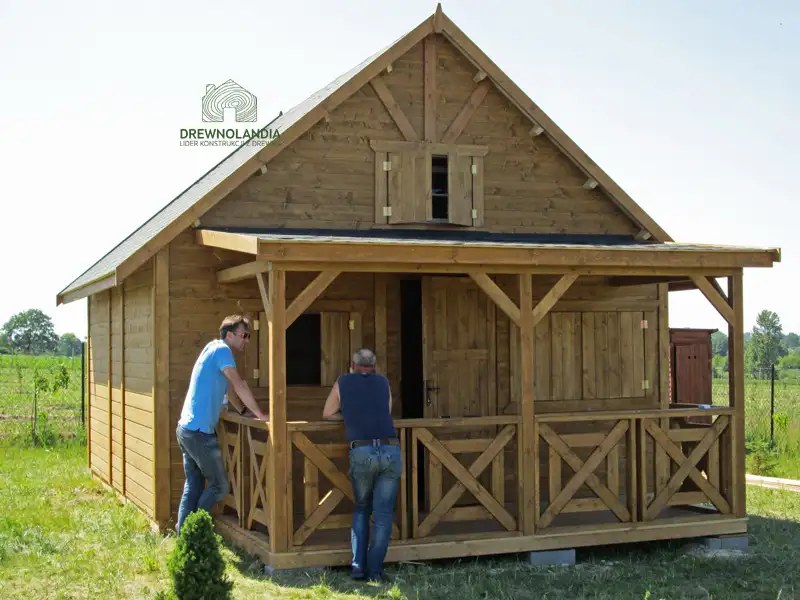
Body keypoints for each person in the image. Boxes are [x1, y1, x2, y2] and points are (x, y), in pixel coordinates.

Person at [175, 314, 267, 534]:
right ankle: (192, 530)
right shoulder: (223, 351)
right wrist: (261, 415)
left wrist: (245, 412)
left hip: (185, 429)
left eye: (248, 336)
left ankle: (184, 535)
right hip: (199, 433)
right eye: (244, 336)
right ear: (229, 335)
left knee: (194, 484)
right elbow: (240, 385)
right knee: (219, 487)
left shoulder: (212, 349)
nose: (246, 340)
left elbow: (229, 389)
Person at [322, 348, 401, 582]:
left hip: (362, 449)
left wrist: (348, 416)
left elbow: (327, 414)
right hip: (390, 448)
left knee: (362, 508)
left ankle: (358, 567)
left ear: (352, 365)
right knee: (384, 514)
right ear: (374, 366)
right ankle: (375, 571)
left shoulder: (342, 382)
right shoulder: (384, 382)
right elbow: (385, 412)